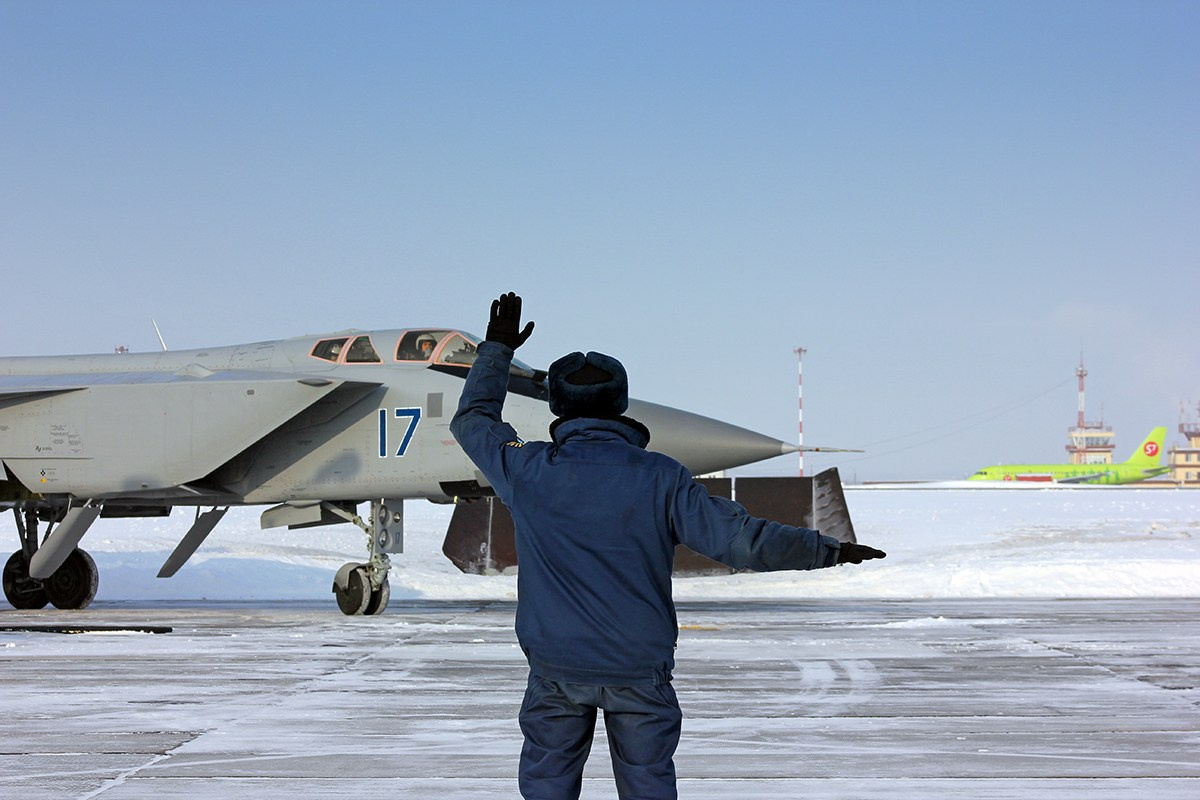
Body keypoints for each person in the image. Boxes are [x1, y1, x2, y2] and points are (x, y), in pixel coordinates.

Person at [450, 292, 886, 800]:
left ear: (557, 406)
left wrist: (496, 349)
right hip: (639, 668)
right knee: (648, 785)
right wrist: (824, 549)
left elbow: (473, 421)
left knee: (548, 785)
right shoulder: (661, 477)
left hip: (555, 668)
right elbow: (742, 543)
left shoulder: (526, 470)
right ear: (620, 404)